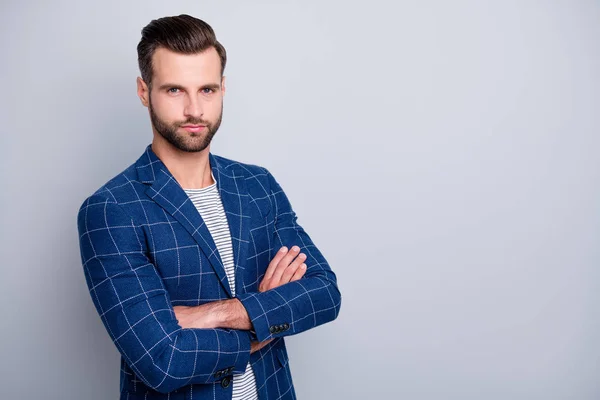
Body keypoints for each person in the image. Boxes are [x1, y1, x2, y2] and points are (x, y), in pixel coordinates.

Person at [76, 14, 342, 400]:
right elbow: (162, 359)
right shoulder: (111, 210)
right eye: (174, 90)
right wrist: (266, 311)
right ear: (143, 91)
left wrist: (218, 313)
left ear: (222, 88)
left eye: (206, 90)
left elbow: (323, 293)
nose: (194, 109)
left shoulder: (257, 185)